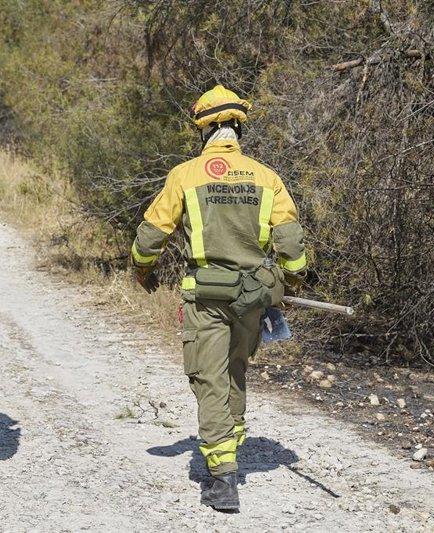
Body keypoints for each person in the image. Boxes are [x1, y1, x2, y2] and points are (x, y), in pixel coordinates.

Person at [131, 85, 306, 511]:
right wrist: (292, 281)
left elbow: (152, 234)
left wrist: (142, 269)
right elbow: (291, 243)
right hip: (253, 295)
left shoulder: (186, 175)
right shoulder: (266, 177)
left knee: (208, 377)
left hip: (206, 296)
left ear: (204, 129)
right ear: (236, 129)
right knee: (234, 369)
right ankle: (232, 434)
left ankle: (223, 473)